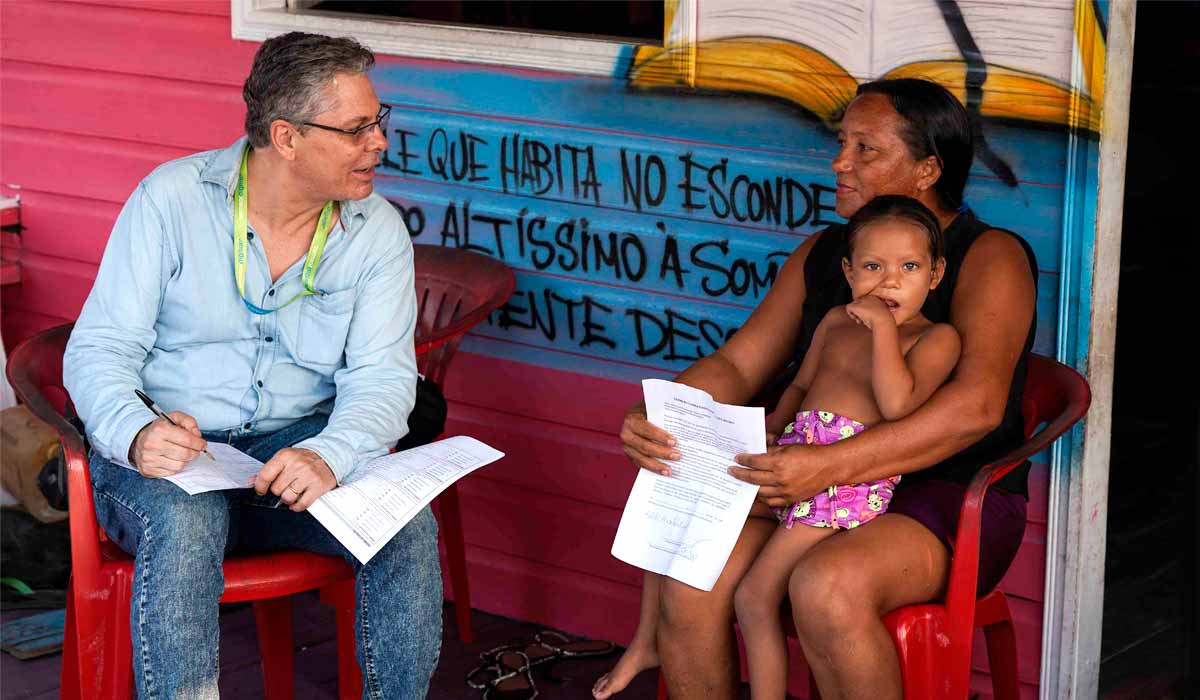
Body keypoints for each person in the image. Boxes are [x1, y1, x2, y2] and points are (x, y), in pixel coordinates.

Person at [607, 78, 1038, 700]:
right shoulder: (826, 253)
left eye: (865, 149)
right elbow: (736, 364)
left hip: (945, 488)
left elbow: (976, 408)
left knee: (826, 587)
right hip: (810, 476)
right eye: (842, 144)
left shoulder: (988, 256)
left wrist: (830, 466)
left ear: (926, 169)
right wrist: (660, 412)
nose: (839, 163)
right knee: (692, 573)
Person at [63, 32, 441, 699]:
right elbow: (99, 347)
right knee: (186, 521)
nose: (379, 143)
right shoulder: (172, 200)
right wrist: (136, 431)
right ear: (286, 136)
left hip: (289, 459)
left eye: (378, 123)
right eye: (357, 130)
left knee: (405, 523)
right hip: (168, 455)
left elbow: (382, 378)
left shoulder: (375, 229)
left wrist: (330, 452)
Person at [736, 195, 959, 699]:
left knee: (753, 596)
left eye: (909, 267)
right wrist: (776, 422)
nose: (890, 281)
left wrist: (883, 328)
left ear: (936, 273)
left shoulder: (936, 339)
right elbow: (800, 385)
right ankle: (649, 642)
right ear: (848, 270)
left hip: (845, 483)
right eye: (873, 267)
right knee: (694, 521)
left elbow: (899, 404)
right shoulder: (835, 320)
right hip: (796, 465)